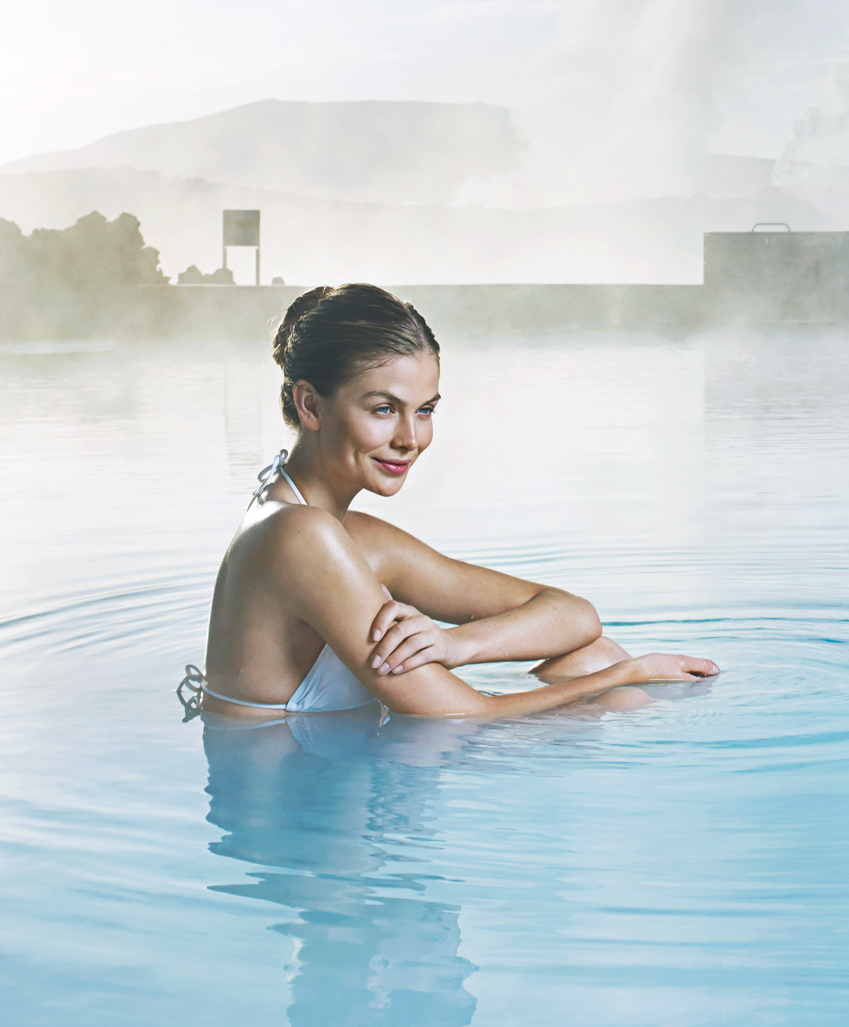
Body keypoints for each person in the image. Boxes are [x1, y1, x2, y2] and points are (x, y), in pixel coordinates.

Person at [184, 283, 719, 720]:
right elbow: (463, 715)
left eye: (424, 410)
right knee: (613, 679)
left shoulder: (348, 535)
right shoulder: (299, 535)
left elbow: (575, 616)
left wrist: (453, 644)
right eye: (383, 408)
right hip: (297, 821)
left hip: (348, 788)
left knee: (591, 655)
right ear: (311, 405)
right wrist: (629, 673)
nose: (410, 439)